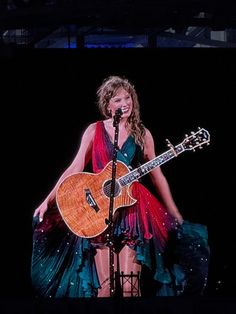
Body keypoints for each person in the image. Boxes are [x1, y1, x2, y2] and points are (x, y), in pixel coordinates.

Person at [32, 75, 210, 298]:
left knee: (129, 287)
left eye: (128, 98)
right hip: (98, 213)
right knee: (105, 288)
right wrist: (47, 200)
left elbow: (158, 177)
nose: (124, 103)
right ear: (108, 105)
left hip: (132, 211)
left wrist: (174, 213)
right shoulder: (94, 130)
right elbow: (74, 168)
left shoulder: (142, 134)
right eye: (117, 99)